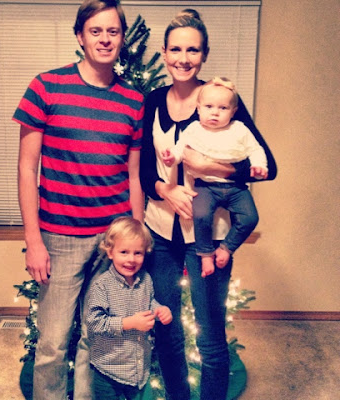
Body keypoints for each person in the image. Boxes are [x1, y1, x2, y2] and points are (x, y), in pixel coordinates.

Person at [140, 9, 277, 400]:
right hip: (160, 233)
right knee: (167, 329)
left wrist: (208, 166)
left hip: (209, 238)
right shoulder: (152, 101)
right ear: (164, 53)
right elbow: (144, 167)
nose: (184, 58)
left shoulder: (221, 100)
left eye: (193, 50)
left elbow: (266, 166)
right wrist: (164, 190)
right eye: (176, 49)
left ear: (204, 55)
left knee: (210, 334)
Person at [14, 0, 144, 399]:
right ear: (80, 36)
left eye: (113, 31)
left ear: (122, 38)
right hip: (60, 238)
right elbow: (26, 169)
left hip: (112, 239)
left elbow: (133, 174)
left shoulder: (133, 100)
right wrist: (33, 240)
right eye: (95, 31)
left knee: (96, 337)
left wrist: (137, 235)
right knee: (53, 342)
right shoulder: (46, 87)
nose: (105, 39)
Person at [161, 77, 268, 277]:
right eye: (209, 106)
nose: (215, 112)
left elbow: (255, 149)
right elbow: (180, 149)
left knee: (250, 217)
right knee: (201, 216)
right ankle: (205, 255)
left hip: (236, 188)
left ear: (233, 111)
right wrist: (171, 158)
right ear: (198, 108)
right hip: (205, 186)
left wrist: (259, 165)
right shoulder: (194, 129)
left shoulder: (239, 129)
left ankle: (226, 248)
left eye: (223, 108)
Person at [86, 216, 172, 400]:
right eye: (124, 252)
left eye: (137, 253)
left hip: (138, 370)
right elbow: (94, 323)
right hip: (108, 370)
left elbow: (149, 303)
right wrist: (129, 323)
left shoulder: (145, 279)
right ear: (110, 252)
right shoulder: (102, 286)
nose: (131, 259)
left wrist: (159, 310)